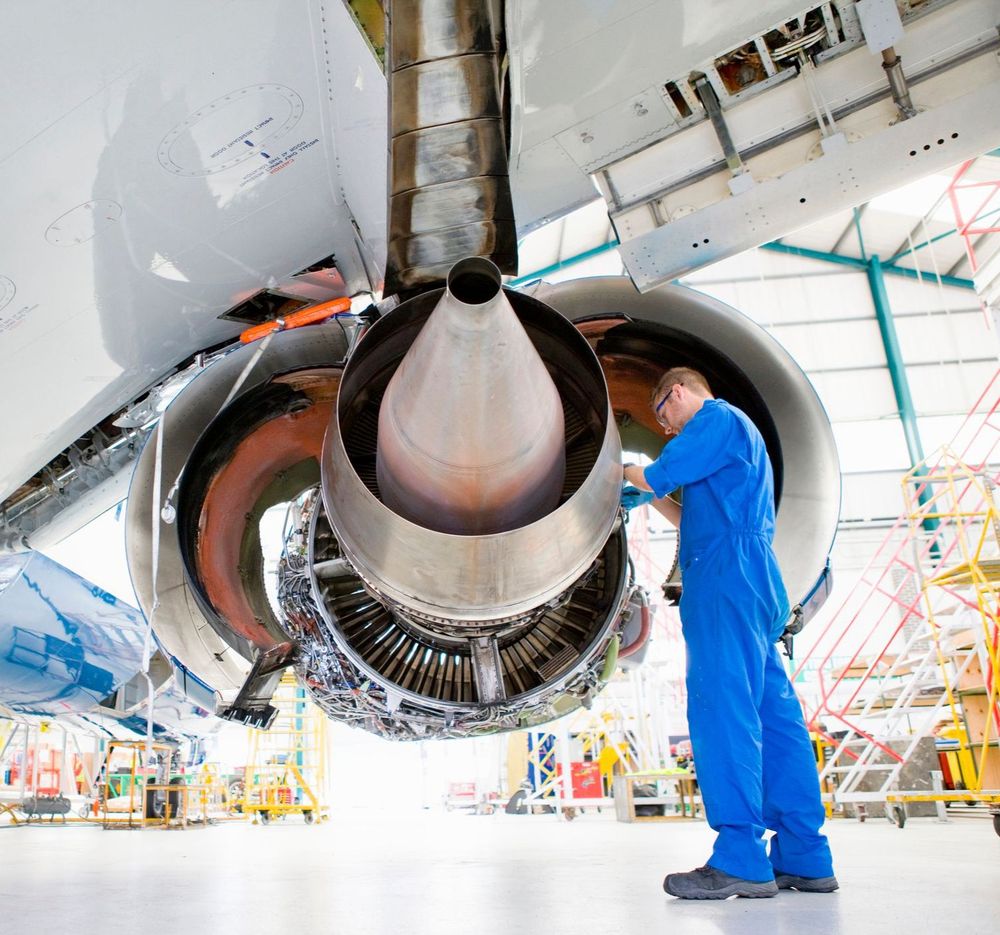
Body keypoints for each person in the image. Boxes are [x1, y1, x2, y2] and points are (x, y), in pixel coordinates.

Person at [622, 367, 837, 900]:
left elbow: (663, 472)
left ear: (675, 393)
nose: (668, 429)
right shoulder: (730, 440)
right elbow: (688, 509)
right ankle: (804, 854)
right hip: (753, 577)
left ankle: (740, 855)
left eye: (664, 417)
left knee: (723, 710)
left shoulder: (715, 419)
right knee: (774, 716)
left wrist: (625, 470)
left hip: (724, 576)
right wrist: (648, 494)